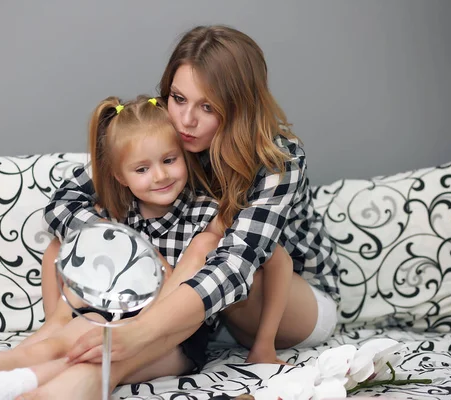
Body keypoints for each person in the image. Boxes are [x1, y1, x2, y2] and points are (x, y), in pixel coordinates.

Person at [24, 24, 341, 400]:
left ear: (239, 108)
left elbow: (236, 264)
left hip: (286, 298)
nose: (186, 120)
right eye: (178, 98)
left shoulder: (278, 159)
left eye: (208, 107)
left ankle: (104, 362)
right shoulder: (166, 133)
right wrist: (133, 248)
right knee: (93, 248)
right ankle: (82, 372)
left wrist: (139, 331)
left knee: (215, 247)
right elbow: (64, 203)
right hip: (205, 307)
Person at [0, 95, 222, 400]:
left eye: (169, 160)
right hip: (115, 320)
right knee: (65, 341)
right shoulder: (119, 215)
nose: (160, 175)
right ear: (120, 177)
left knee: (84, 361)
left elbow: (187, 290)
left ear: (185, 155)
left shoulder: (204, 215)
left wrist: (150, 266)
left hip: (175, 342)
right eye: (142, 169)